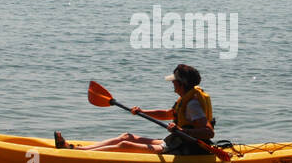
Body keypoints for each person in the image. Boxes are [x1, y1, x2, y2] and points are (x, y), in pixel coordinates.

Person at [54, 64, 215, 154]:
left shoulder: (193, 104)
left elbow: (208, 132)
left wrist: (182, 131)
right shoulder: (186, 98)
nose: (172, 83)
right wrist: (143, 112)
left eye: (174, 81)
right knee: (127, 136)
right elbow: (168, 114)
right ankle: (75, 148)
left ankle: (76, 153)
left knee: (124, 145)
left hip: (185, 148)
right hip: (177, 142)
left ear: (181, 84)